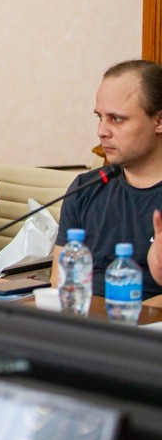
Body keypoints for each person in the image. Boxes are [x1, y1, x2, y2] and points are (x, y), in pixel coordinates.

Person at [52, 59, 162, 299]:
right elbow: (59, 283)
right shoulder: (85, 188)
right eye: (99, 117)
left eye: (117, 119)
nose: (102, 130)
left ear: (159, 121)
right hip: (82, 325)